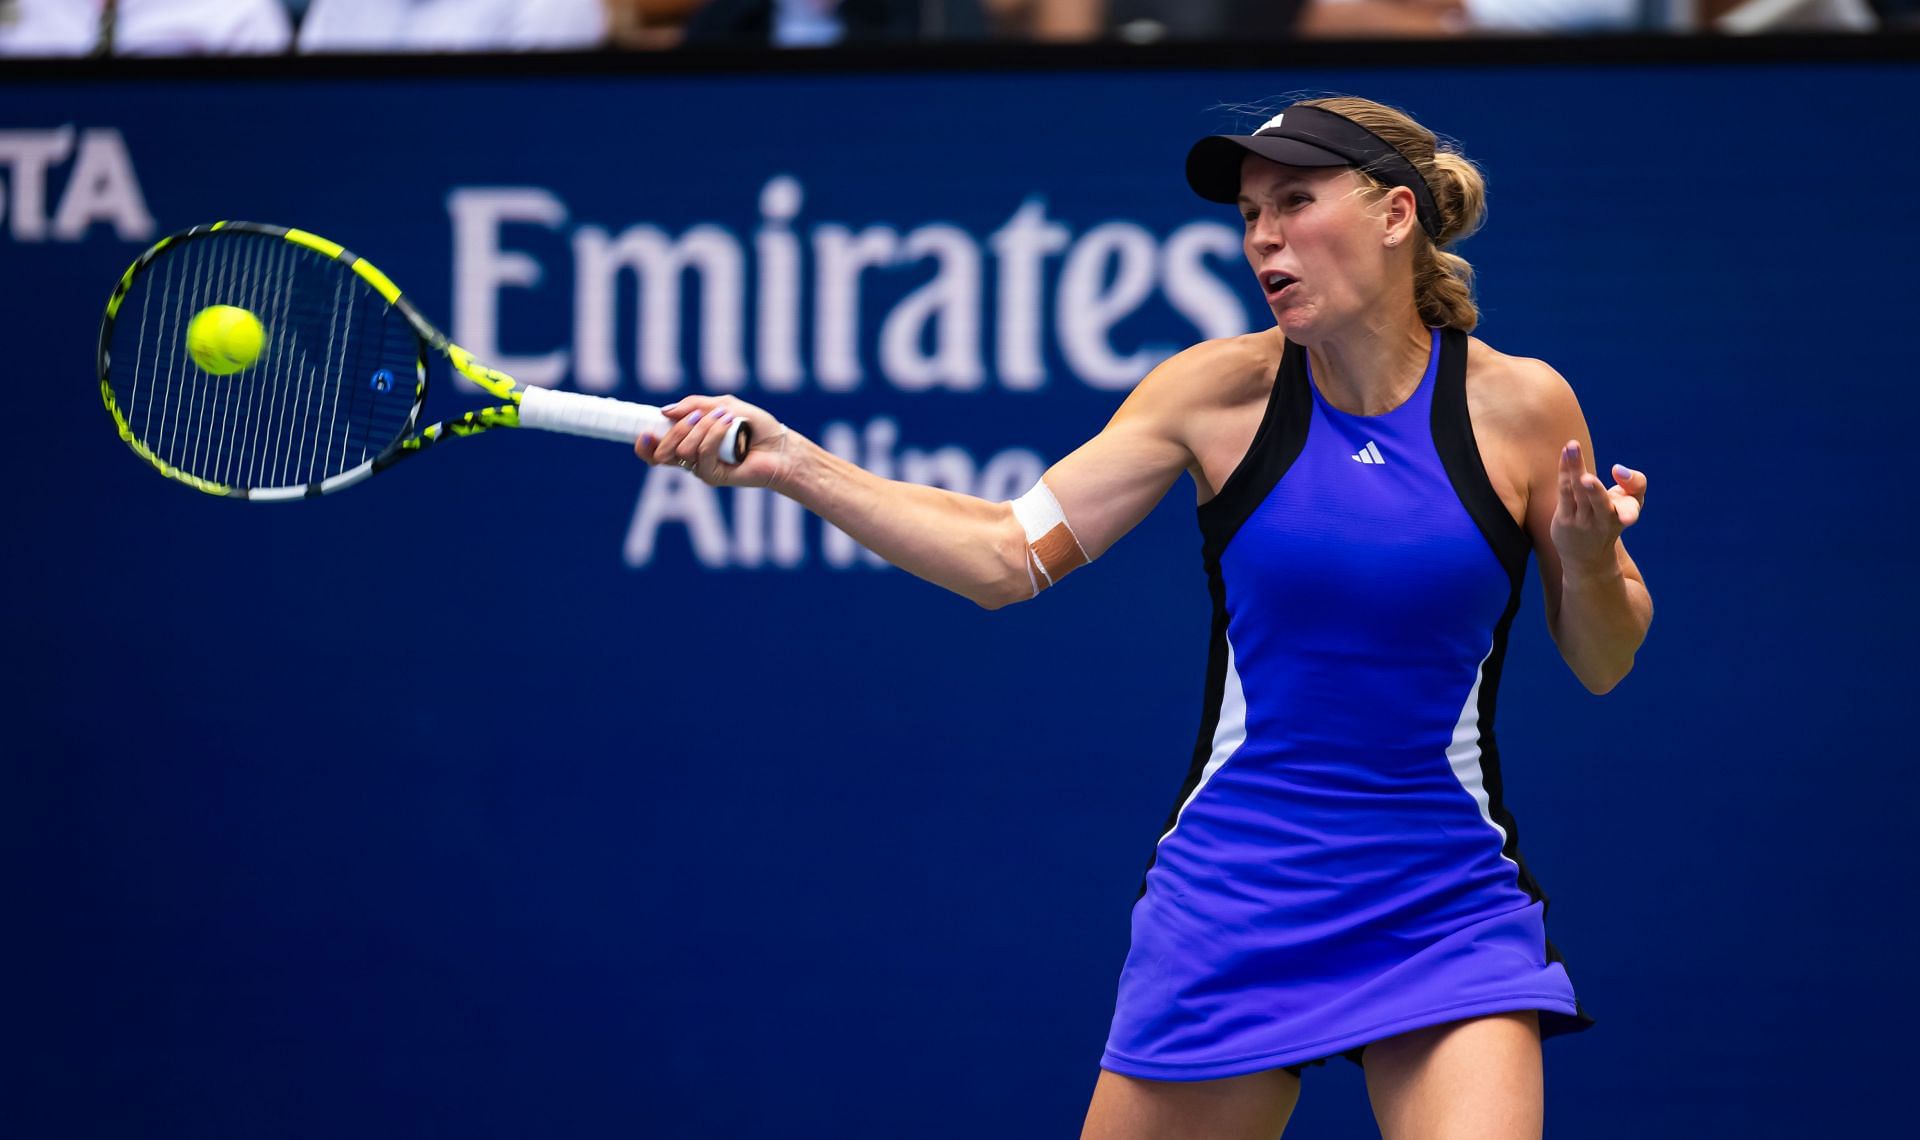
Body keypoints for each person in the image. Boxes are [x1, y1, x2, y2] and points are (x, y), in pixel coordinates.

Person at [637, 97, 1652, 1138]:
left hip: (1442, 897)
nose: (1263, 236)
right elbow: (1004, 555)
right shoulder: (1213, 393)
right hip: (1240, 895)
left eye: (1296, 202)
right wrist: (796, 463)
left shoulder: (1523, 407)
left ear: (1396, 215)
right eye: (1251, 212)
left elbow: (1605, 655)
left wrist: (1585, 556)